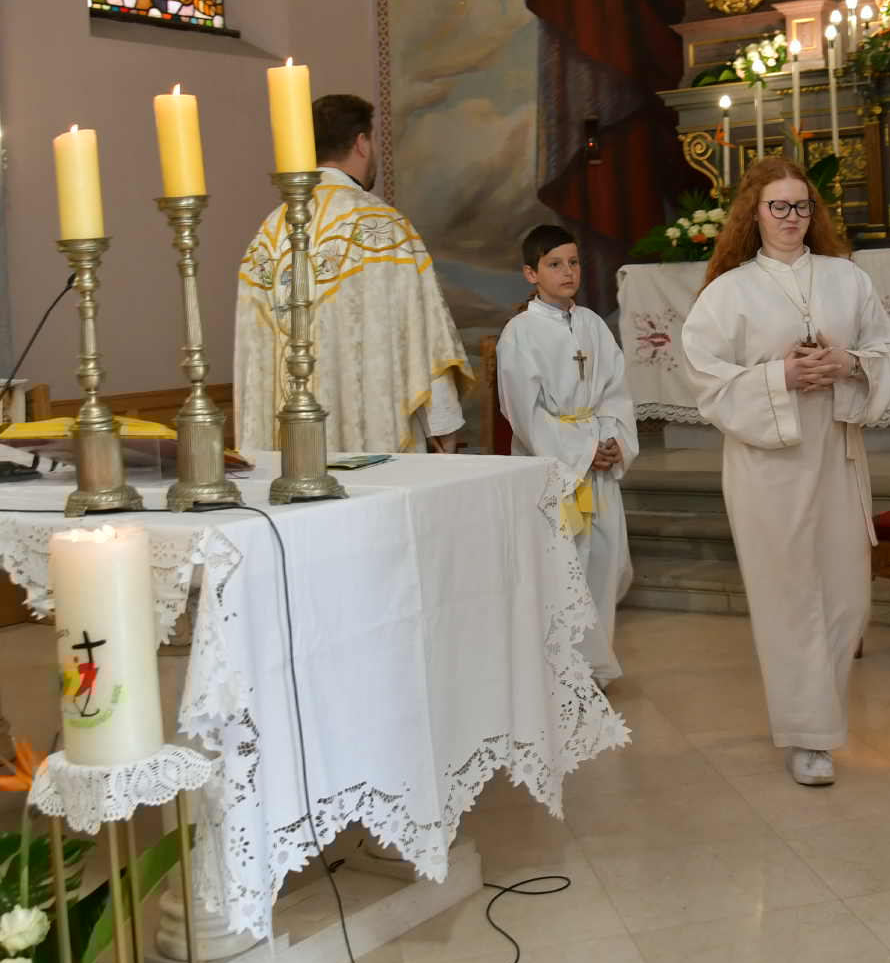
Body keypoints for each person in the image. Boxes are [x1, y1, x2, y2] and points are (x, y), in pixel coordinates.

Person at [681, 157, 890, 787]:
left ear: (814, 214)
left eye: (801, 206)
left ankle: (819, 716)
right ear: (754, 213)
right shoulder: (729, 292)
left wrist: (848, 364)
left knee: (846, 594)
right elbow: (703, 374)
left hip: (834, 453)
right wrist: (780, 375)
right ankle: (808, 738)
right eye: (778, 206)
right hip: (767, 465)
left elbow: (885, 348)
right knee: (788, 597)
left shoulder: (845, 279)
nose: (790, 218)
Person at [234, 94, 472, 456]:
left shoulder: (269, 233)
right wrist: (441, 424)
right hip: (374, 444)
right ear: (362, 143)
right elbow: (425, 334)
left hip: (291, 453)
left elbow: (253, 357)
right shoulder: (384, 227)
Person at [498, 225, 637, 684]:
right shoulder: (520, 332)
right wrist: (584, 448)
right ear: (530, 273)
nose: (568, 272)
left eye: (574, 262)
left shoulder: (594, 325)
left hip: (595, 461)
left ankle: (593, 667)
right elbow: (525, 414)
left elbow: (616, 391)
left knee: (605, 562)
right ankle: (561, 671)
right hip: (556, 469)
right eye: (555, 264)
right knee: (563, 564)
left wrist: (614, 437)